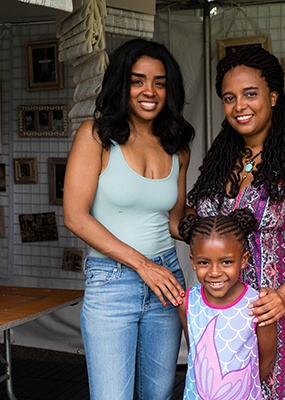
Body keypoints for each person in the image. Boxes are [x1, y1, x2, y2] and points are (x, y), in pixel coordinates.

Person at [187, 46, 285, 399]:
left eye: (250, 94)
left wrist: (283, 296)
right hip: (223, 309)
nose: (240, 106)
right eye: (229, 97)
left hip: (276, 308)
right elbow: (196, 221)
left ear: (273, 95)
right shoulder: (219, 162)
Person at [63, 38, 195, 400]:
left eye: (160, 82)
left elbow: (174, 220)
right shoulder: (96, 137)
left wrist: (214, 232)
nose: (149, 91)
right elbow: (75, 217)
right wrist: (141, 265)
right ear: (122, 84)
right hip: (112, 280)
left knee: (159, 394)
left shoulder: (176, 144)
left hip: (166, 276)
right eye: (138, 80)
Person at [177, 209, 277, 400]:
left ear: (243, 260)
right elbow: (195, 354)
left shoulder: (259, 305)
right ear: (193, 262)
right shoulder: (187, 302)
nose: (215, 272)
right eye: (204, 262)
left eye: (226, 262)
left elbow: (267, 360)